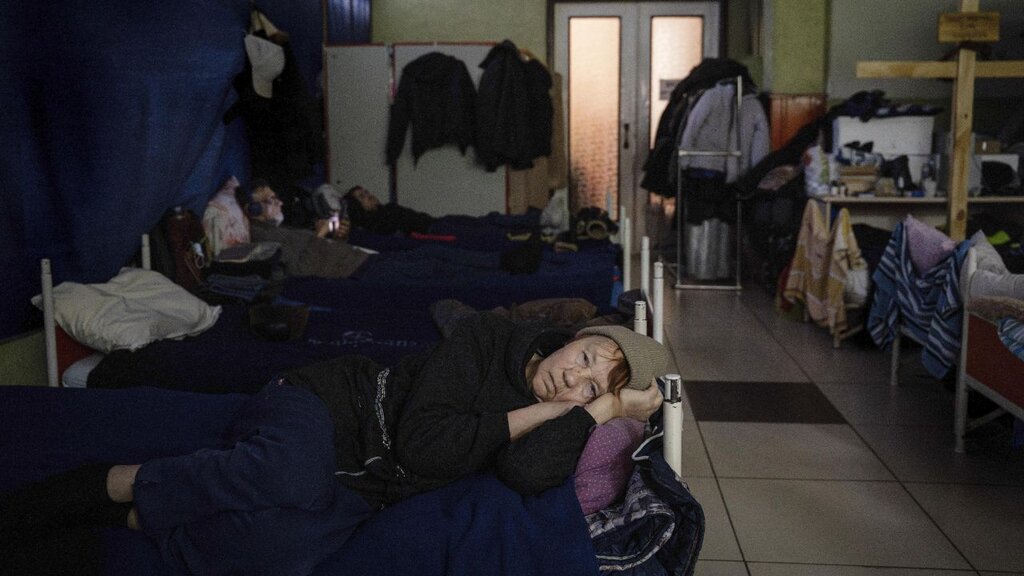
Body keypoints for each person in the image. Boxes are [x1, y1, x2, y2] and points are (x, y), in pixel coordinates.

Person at [1, 313, 669, 575]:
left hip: (362, 484)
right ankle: (103, 483)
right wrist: (548, 409)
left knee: (283, 552)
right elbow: (423, 446)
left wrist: (598, 413)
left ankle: (126, 521)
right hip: (327, 405)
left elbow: (524, 475)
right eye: (585, 358)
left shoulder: (565, 418)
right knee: (288, 475)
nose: (572, 379)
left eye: (589, 388)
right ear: (575, 336)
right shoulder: (487, 338)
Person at [343, 185, 436, 236]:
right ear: (358, 207)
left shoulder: (388, 208)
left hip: (431, 224)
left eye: (366, 192)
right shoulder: (374, 227)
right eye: (362, 196)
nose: (368, 195)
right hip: (428, 233)